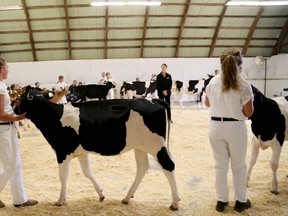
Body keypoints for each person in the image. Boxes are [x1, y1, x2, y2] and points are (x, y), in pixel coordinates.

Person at [205, 48, 254, 213]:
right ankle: (240, 201)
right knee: (238, 165)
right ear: (239, 64)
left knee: (220, 165)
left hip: (215, 127)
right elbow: (249, 112)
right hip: (235, 128)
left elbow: (207, 103)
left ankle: (221, 201)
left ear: (221, 63)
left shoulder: (212, 82)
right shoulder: (243, 84)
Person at [0, 57, 38, 208]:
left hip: (8, 128)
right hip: (3, 129)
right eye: (7, 68)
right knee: (10, 165)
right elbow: (0, 113)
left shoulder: (2, 86)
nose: (8, 70)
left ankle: (19, 199)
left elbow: (4, 109)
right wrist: (18, 117)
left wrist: (13, 105)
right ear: (1, 69)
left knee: (15, 164)